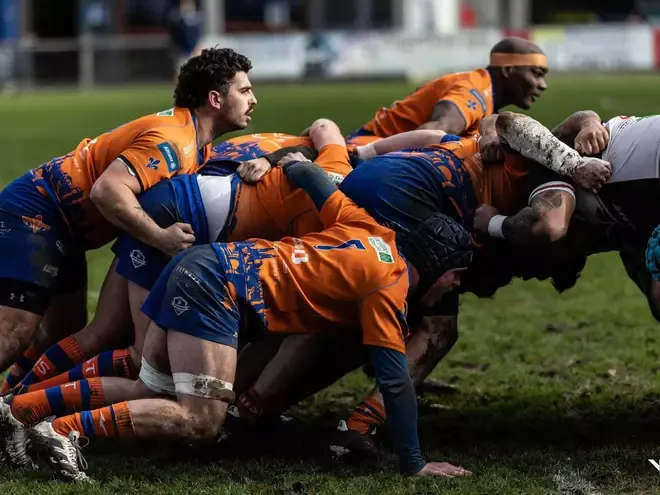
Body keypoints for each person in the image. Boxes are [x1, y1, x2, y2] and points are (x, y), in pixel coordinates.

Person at [23, 154, 475, 482]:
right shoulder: (389, 286)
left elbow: (312, 178)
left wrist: (286, 160)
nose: (455, 286)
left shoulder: (370, 229)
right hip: (215, 287)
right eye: (457, 277)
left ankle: (17, 411)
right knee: (201, 420)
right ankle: (61, 431)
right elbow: (395, 381)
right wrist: (415, 463)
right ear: (442, 270)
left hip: (198, 262)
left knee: (151, 387)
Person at [0, 47, 256, 393]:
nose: (253, 100)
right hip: (37, 213)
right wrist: (159, 236)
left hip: (66, 225)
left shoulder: (194, 140)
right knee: (13, 332)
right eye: (244, 90)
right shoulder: (173, 140)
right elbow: (107, 190)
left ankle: (9, 401)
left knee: (61, 332)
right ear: (215, 99)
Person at [348, 37, 548, 139]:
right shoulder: (476, 93)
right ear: (508, 70)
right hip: (362, 150)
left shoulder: (484, 92)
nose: (543, 85)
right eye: (537, 73)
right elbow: (436, 130)